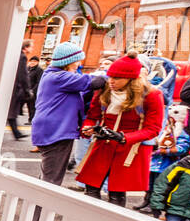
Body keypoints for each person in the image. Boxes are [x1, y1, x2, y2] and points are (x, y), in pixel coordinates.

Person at [75, 52, 165, 209]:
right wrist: (87, 128)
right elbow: (92, 116)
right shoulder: (105, 90)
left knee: (116, 193)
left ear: (131, 79)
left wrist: (124, 137)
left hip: (130, 149)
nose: (111, 81)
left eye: (116, 78)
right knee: (91, 189)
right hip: (102, 145)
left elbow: (153, 128)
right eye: (110, 77)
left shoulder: (151, 95)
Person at [30, 42, 106, 186]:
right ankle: (41, 208)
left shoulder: (52, 74)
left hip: (51, 129)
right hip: (57, 132)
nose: (79, 64)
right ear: (68, 61)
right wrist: (113, 75)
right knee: (51, 181)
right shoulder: (60, 77)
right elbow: (94, 82)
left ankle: (37, 206)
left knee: (48, 175)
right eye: (77, 61)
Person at [139, 103, 190, 205]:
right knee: (149, 184)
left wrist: (167, 151)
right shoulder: (162, 131)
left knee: (160, 186)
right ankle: (146, 201)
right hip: (153, 163)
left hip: (166, 165)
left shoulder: (181, 134)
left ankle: (155, 204)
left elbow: (182, 148)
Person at [6, 39, 33, 139]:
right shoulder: (22, 57)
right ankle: (16, 133)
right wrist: (27, 89)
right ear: (25, 48)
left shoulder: (16, 55)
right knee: (11, 111)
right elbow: (23, 75)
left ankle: (16, 132)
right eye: (31, 46)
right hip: (16, 88)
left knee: (10, 111)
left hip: (12, 87)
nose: (32, 49)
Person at [25, 54, 43, 122]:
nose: (32, 62)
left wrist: (33, 90)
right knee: (29, 106)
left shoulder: (39, 70)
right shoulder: (28, 69)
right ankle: (30, 119)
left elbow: (38, 82)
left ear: (37, 62)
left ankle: (32, 120)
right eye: (31, 61)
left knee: (32, 106)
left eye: (34, 61)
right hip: (27, 91)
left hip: (34, 92)